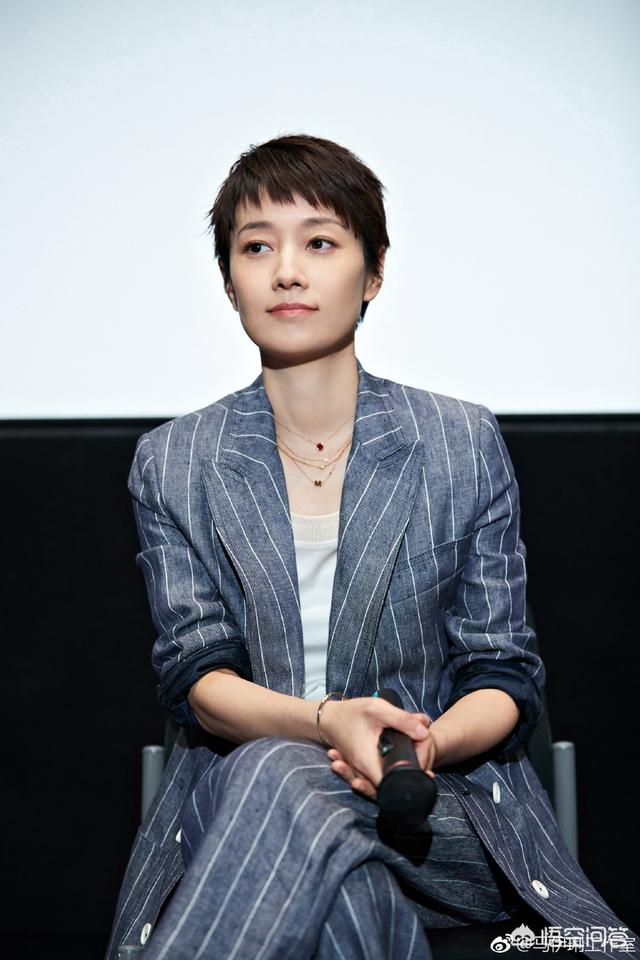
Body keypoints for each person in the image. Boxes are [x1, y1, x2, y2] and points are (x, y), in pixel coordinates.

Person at [105, 134, 637, 960]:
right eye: (257, 247)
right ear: (229, 281)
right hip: (242, 810)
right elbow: (199, 682)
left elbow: (502, 672)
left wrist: (420, 748)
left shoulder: (459, 441)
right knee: (282, 786)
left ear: (374, 272)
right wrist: (327, 725)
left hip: (435, 810)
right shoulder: (174, 462)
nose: (287, 272)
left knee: (284, 791)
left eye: (320, 243)